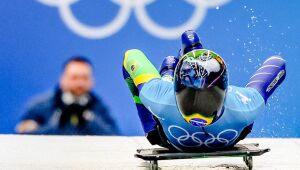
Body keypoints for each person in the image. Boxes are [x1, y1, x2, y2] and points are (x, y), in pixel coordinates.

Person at [122, 30, 286, 151]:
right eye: (190, 98)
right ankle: (191, 54)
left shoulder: (159, 98)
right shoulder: (245, 106)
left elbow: (130, 56)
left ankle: (172, 70)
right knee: (249, 115)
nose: (198, 113)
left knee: (169, 63)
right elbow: (279, 64)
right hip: (230, 131)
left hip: (167, 137)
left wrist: (149, 127)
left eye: (208, 99)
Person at [16, 56, 119, 135]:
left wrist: (90, 119)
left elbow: (115, 137)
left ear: (92, 81)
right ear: (62, 79)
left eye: (84, 78)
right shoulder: (42, 105)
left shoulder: (99, 107)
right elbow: (23, 137)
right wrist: (56, 122)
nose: (80, 83)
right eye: (74, 78)